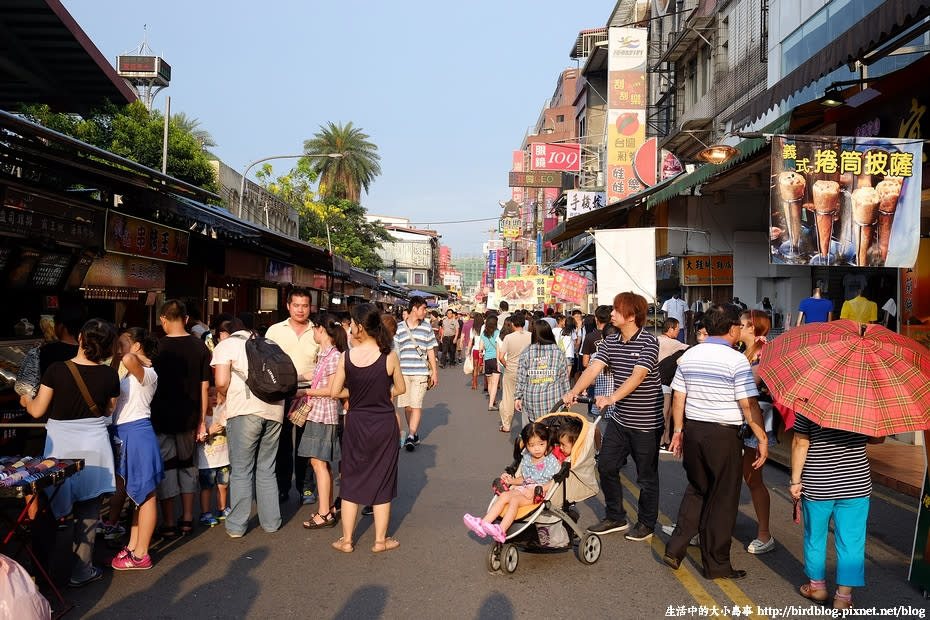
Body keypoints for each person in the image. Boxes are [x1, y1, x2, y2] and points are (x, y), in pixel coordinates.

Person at [663, 304, 768, 580]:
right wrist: (762, 437)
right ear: (733, 329)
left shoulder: (689, 355)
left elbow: (678, 397)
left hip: (694, 431)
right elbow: (748, 404)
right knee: (723, 499)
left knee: (698, 489)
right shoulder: (736, 361)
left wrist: (677, 430)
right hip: (723, 435)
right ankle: (716, 564)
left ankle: (675, 546)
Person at [20, 318, 120, 587]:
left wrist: (25, 399)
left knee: (51, 510)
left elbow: (37, 411)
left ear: (79, 338)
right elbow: (109, 410)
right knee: (89, 509)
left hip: (60, 448)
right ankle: (81, 570)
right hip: (95, 448)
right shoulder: (110, 374)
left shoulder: (56, 370)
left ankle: (41, 574)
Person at [563, 292, 663, 542]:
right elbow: (594, 368)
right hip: (620, 420)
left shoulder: (649, 342)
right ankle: (615, 515)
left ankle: (647, 522)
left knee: (646, 477)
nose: (612, 314)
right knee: (606, 465)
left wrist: (611, 398)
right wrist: (575, 390)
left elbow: (637, 376)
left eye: (617, 310)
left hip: (646, 423)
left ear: (631, 315)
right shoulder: (610, 341)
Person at [329, 304, 406, 553]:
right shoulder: (389, 355)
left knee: (350, 479)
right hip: (384, 422)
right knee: (383, 479)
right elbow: (401, 388)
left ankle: (347, 541)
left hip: (356, 422)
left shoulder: (346, 357)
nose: (349, 327)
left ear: (360, 327)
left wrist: (357, 393)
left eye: (351, 323)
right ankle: (380, 541)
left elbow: (334, 392)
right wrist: (381, 393)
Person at [790, 413, 884, 610]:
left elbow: (800, 443)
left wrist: (796, 480)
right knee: (852, 541)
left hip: (818, 483)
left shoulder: (810, 402)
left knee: (815, 536)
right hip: (856, 485)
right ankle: (843, 597)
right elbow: (877, 438)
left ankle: (817, 587)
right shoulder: (864, 403)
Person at [211, 317, 284, 538]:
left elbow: (222, 381)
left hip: (244, 411)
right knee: (266, 468)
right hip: (274, 410)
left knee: (241, 471)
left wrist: (222, 398)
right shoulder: (268, 343)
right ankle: (271, 522)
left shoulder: (227, 345)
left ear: (225, 333)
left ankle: (237, 525)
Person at [150, 300, 211, 538]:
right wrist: (202, 421)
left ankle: (168, 522)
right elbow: (204, 387)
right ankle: (186, 517)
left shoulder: (157, 348)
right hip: (189, 417)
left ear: (163, 319)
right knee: (187, 466)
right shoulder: (200, 347)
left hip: (161, 417)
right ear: (186, 319)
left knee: (167, 468)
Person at [108, 328, 164, 570]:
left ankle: (141, 554)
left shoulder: (148, 372)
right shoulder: (130, 374)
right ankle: (133, 546)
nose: (119, 347)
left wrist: (135, 357)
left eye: (123, 342)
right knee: (135, 496)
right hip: (126, 434)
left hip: (138, 434)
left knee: (147, 494)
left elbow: (129, 359)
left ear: (138, 345)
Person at [265, 287, 319, 505]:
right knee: (282, 443)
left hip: (310, 393)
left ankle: (306, 487)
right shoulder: (275, 331)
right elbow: (266, 363)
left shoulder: (318, 331)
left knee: (307, 444)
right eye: (296, 305)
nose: (300, 310)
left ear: (310, 307)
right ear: (288, 306)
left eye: (305, 305)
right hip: (283, 393)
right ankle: (282, 486)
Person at [463, 422, 561, 542]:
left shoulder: (550, 460)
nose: (537, 449)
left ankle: (501, 530)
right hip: (524, 488)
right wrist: (512, 481)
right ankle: (483, 524)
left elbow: (554, 481)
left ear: (547, 442)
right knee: (504, 495)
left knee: (514, 500)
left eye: (541, 444)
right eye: (532, 445)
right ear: (526, 445)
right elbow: (525, 478)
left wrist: (538, 489)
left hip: (537, 493)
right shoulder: (527, 458)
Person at [298, 313, 348, 529]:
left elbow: (332, 390)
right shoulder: (327, 354)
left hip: (323, 413)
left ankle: (324, 513)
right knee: (321, 462)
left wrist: (305, 391)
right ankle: (327, 508)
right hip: (320, 413)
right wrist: (297, 377)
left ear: (320, 329)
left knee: (319, 463)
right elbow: (316, 375)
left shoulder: (334, 356)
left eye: (313, 329)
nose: (312, 333)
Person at [739, 310, 777, 555]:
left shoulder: (766, 352)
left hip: (756, 418)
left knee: (753, 478)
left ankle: (765, 533)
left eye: (741, 324)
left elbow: (752, 383)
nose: (738, 328)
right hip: (738, 417)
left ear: (753, 327)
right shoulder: (745, 352)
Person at [394, 297, 438, 451]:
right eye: (423, 309)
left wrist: (434, 372)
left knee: (416, 404)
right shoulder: (399, 328)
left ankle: (411, 435)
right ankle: (414, 433)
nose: (425, 312)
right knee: (407, 406)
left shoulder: (426, 328)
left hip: (420, 372)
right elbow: (396, 352)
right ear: (414, 309)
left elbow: (430, 350)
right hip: (403, 373)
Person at [515, 320, 569, 423]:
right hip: (554, 400)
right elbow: (564, 378)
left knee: (536, 431)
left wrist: (518, 397)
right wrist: (567, 395)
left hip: (532, 400)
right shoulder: (558, 352)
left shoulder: (527, 352)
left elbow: (521, 378)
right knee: (553, 432)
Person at [196, 386, 229, 528]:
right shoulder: (202, 419)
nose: (214, 398)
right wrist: (209, 431)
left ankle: (222, 509)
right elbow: (198, 438)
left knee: (223, 486)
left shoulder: (223, 414)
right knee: (207, 488)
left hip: (224, 459)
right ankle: (205, 513)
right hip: (207, 462)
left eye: (217, 395)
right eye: (210, 395)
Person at [657, 319, 689, 451]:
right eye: (677, 329)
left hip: (653, 382)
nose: (678, 331)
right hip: (664, 383)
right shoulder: (672, 343)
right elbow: (690, 349)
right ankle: (662, 441)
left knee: (663, 413)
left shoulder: (655, 340)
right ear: (670, 329)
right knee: (666, 414)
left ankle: (665, 440)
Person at [497, 312, 531, 432]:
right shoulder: (531, 336)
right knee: (528, 397)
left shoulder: (508, 337)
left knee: (508, 397)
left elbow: (501, 357)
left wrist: (507, 366)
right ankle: (529, 423)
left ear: (512, 324)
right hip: (528, 371)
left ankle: (506, 425)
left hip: (511, 369)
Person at [479, 315, 501, 411]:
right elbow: (499, 347)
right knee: (495, 383)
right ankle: (491, 404)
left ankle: (492, 400)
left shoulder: (484, 333)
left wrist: (480, 352)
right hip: (495, 359)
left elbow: (481, 347)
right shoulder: (498, 333)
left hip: (487, 359)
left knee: (490, 382)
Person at [469, 313, 485, 390]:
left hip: (475, 349)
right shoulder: (485, 329)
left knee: (475, 367)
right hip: (484, 350)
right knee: (485, 368)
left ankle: (474, 384)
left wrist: (468, 351)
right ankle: (486, 384)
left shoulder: (473, 329)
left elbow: (470, 341)